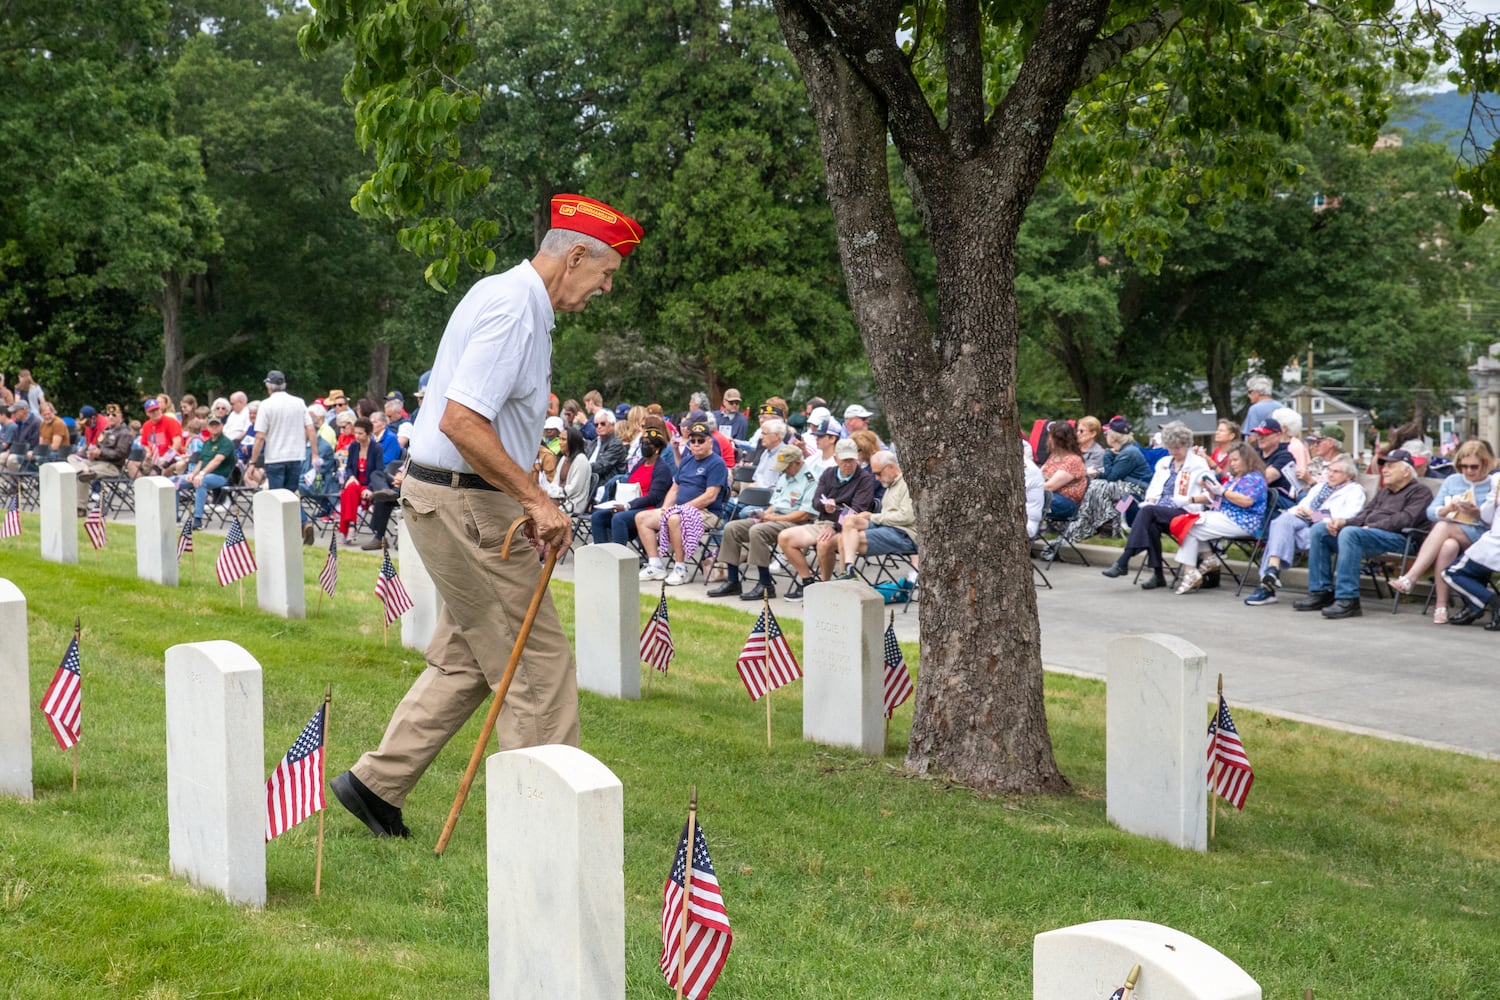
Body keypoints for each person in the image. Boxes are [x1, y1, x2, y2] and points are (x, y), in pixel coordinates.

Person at [331, 192, 642, 839]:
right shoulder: (513, 308)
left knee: (470, 656)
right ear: (575, 255)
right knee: (536, 665)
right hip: (465, 498)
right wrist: (533, 499)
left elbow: (494, 424)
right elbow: (461, 420)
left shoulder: (516, 301)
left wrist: (521, 494)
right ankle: (544, 826)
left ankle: (375, 785)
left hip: (464, 496)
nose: (605, 289)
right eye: (606, 275)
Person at [1293, 448, 1432, 620]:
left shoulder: (1420, 492)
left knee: (1351, 534)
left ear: (1405, 471)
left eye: (1390, 466)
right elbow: (1365, 514)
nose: (1384, 470)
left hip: (1402, 539)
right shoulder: (1385, 492)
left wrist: (1371, 527)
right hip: (1368, 535)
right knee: (1319, 530)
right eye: (1384, 466)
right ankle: (1321, 592)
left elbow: (1405, 520)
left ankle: (1348, 599)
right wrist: (1343, 522)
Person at [1389, 438, 1496, 622]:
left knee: (1444, 526)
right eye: (1464, 466)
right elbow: (1431, 512)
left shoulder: (1493, 483)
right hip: (1453, 533)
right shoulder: (1453, 481)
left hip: (1482, 537)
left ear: (1485, 464)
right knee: (1447, 545)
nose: (1468, 471)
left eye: (1474, 467)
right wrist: (1446, 510)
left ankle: (1411, 578)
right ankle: (1441, 606)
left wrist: (1477, 513)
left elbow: (1495, 523)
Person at [1099, 420, 1212, 589]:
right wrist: (1150, 499)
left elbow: (1209, 492)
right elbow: (1153, 489)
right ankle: (1158, 576)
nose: (1174, 451)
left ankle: (1124, 560)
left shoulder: (1198, 464)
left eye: (1178, 448)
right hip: (1160, 510)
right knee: (1150, 523)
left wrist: (1189, 500)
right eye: (1170, 447)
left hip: (1184, 511)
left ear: (1186, 444)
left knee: (1148, 513)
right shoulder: (1164, 462)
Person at [1242, 455, 1366, 606]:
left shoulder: (1354, 491)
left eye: (1336, 471)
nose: (1330, 474)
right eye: (1329, 470)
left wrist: (1315, 515)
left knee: (1278, 533)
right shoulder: (1321, 487)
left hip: (1326, 531)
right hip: (1304, 524)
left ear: (1349, 476)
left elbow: (1348, 516)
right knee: (1282, 521)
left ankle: (1267, 587)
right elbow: (1303, 505)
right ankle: (1272, 570)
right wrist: (1299, 510)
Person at [707, 444, 819, 600]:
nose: (783, 470)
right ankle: (732, 580)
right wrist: (765, 514)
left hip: (796, 524)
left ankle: (765, 584)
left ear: (798, 463)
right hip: (775, 518)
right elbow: (776, 503)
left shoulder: (810, 480)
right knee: (732, 528)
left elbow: (804, 514)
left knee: (757, 531)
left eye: (786, 467)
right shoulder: (785, 477)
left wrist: (772, 519)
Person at [776, 437, 877, 600]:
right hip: (823, 522)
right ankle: (807, 581)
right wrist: (825, 506)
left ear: (857, 458)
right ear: (836, 459)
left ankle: (825, 586)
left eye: (851, 460)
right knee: (785, 537)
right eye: (844, 460)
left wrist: (835, 527)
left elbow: (857, 510)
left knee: (824, 543)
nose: (848, 464)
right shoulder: (828, 473)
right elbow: (815, 501)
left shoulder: (864, 478)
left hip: (848, 527)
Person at [636, 418, 729, 586]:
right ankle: (655, 565)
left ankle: (681, 569)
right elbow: (674, 488)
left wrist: (682, 509)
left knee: (674, 519)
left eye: (701, 440)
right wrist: (665, 508)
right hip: (678, 510)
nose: (696, 444)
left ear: (710, 442)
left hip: (707, 513)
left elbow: (710, 496)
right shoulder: (687, 460)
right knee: (642, 517)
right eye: (692, 440)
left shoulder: (717, 463)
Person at [1169, 443, 1268, 594]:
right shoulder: (1234, 478)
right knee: (1188, 521)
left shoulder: (1254, 478)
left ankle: (1193, 570)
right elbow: (1218, 499)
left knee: (1190, 526)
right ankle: (1201, 563)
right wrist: (1200, 495)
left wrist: (1222, 492)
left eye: (1236, 460)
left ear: (1247, 459)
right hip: (1224, 515)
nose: (1232, 464)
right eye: (1231, 460)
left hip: (1242, 521)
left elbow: (1246, 501)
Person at [248, 370, 319, 544]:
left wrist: (253, 461)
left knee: (277, 496)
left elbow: (260, 436)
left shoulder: (266, 405)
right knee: (291, 494)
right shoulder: (299, 402)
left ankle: (281, 533)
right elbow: (310, 429)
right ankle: (302, 523)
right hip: (296, 455)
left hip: (275, 457)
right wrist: (315, 454)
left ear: (268, 386)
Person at [833, 451, 918, 576]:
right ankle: (849, 568)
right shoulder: (890, 484)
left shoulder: (907, 484)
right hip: (887, 527)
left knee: (845, 539)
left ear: (891, 467)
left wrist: (872, 516)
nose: (876, 478)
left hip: (904, 533)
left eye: (878, 473)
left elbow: (906, 517)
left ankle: (847, 575)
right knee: (850, 520)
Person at [590, 421, 674, 546]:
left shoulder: (662, 469)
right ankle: (602, 552)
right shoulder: (640, 463)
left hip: (647, 508)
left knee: (619, 518)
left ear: (657, 449)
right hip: (630, 504)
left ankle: (619, 556)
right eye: (642, 443)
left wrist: (627, 506)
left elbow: (653, 497)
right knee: (598, 516)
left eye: (648, 444)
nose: (644, 446)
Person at [67, 404, 134, 514]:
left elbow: (120, 454)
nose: (110, 417)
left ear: (120, 417)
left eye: (114, 414)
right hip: (95, 462)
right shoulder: (106, 431)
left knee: (83, 476)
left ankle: (80, 508)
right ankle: (83, 469)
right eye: (108, 415)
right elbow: (95, 446)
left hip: (111, 466)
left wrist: (100, 453)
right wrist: (91, 453)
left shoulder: (124, 433)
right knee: (71, 457)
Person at [172, 416, 237, 528]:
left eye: (217, 424)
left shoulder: (226, 442)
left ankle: (197, 520)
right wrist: (193, 474)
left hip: (221, 477)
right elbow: (201, 462)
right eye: (212, 425)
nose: (214, 427)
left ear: (222, 426)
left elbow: (217, 461)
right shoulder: (207, 443)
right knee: (173, 482)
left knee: (202, 481)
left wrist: (201, 474)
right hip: (202, 475)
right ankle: (174, 518)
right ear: (207, 427)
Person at [336, 417, 386, 543]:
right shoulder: (353, 446)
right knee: (349, 489)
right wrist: (351, 476)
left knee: (350, 491)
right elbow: (348, 468)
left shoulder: (377, 448)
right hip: (356, 482)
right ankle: (351, 526)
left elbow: (379, 471)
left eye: (360, 433)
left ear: (369, 434)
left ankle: (348, 529)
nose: (357, 436)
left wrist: (370, 488)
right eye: (355, 433)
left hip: (369, 485)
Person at [1040, 420, 1087, 519]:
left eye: (1050, 436)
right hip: (1051, 497)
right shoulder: (1054, 456)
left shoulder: (1073, 460)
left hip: (1066, 504)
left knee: (1031, 497)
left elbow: (1050, 486)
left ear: (1054, 439)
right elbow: (1040, 475)